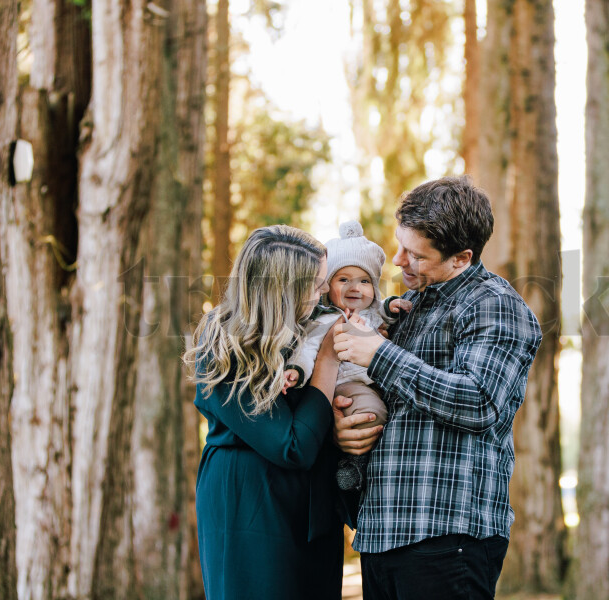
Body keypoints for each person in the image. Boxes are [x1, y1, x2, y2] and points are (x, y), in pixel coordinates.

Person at [332, 176, 543, 599]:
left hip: (447, 538)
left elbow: (479, 401)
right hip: (383, 531)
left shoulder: (494, 304)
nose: (397, 260)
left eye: (415, 254)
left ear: (461, 258)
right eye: (399, 244)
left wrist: (378, 354)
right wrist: (346, 426)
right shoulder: (412, 307)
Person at [184, 225, 345, 600]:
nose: (324, 292)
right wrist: (328, 361)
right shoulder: (224, 344)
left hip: (311, 509)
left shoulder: (309, 328)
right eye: (316, 284)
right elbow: (292, 445)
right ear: (282, 291)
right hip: (250, 505)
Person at [281, 220, 411, 491]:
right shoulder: (325, 319)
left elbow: (383, 311)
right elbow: (308, 350)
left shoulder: (373, 313)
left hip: (374, 381)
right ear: (327, 286)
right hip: (344, 385)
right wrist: (297, 369)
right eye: (343, 280)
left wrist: (392, 306)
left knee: (381, 415)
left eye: (364, 281)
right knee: (369, 415)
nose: (355, 288)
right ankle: (354, 466)